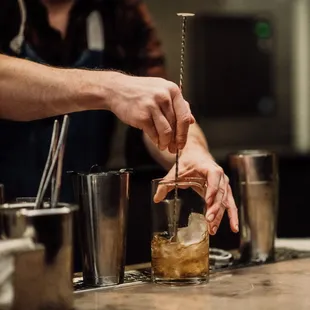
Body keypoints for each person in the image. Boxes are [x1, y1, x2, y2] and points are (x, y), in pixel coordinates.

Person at [0, 0, 238, 238]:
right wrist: (110, 88)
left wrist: (191, 152)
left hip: (89, 227)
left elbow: (159, 105)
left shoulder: (119, 9)